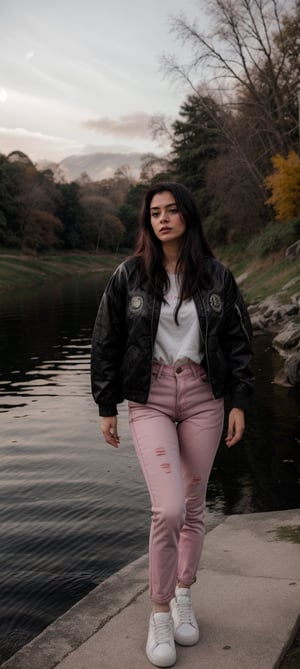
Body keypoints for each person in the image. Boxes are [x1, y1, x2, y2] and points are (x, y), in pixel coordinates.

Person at [91, 182, 254, 668]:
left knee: (193, 505)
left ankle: (185, 593)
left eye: (171, 210)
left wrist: (240, 400)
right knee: (167, 509)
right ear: (148, 222)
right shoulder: (128, 276)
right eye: (155, 212)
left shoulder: (218, 277)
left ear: (188, 216)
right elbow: (106, 340)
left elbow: (239, 340)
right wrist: (106, 404)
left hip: (205, 395)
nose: (163, 219)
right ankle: (159, 611)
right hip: (151, 396)